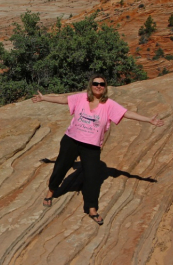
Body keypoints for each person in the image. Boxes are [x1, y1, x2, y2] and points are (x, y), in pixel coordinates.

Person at [32, 74, 164, 225]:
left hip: (91, 146)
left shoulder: (109, 104)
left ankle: (92, 208)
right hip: (71, 141)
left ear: (105, 87)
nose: (98, 86)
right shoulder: (81, 98)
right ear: (91, 85)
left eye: (102, 84)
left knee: (92, 177)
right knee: (61, 167)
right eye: (96, 83)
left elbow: (126, 113)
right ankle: (51, 192)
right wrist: (44, 98)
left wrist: (148, 119)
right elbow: (63, 100)